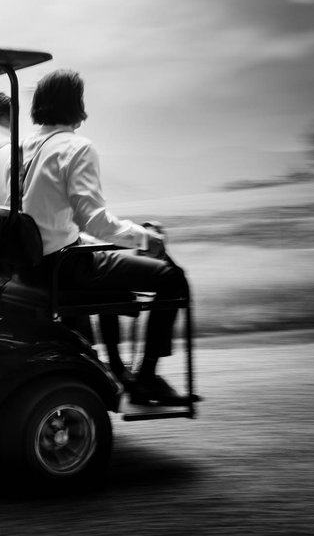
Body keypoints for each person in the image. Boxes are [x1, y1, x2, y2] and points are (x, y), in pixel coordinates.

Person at [18, 69, 191, 406]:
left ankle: (114, 365)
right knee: (172, 278)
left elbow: (52, 217)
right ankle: (146, 378)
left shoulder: (24, 147)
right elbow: (94, 220)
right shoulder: (77, 148)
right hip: (65, 266)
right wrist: (145, 238)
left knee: (103, 254)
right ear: (75, 105)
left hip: (32, 265)